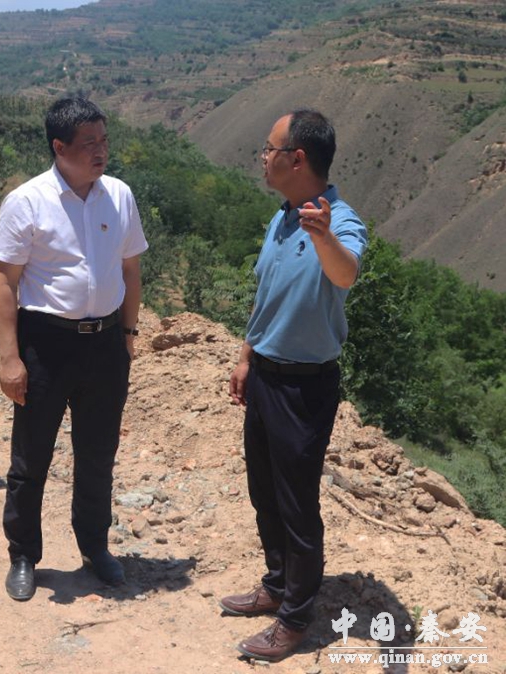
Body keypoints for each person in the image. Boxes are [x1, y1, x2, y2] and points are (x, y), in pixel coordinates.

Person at [221, 109, 368, 662]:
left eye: (269, 148)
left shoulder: (340, 221)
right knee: (264, 492)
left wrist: (324, 236)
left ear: (297, 158)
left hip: (305, 387)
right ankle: (277, 584)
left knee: (297, 504)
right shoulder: (282, 218)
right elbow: (267, 297)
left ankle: (295, 618)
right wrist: (245, 357)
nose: (263, 157)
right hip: (265, 375)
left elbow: (346, 273)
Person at [0, 97, 147, 601]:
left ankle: (95, 546)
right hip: (46, 344)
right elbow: (5, 283)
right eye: (89, 143)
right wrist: (10, 358)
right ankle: (23, 554)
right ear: (59, 147)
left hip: (105, 343)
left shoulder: (119, 196)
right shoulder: (27, 201)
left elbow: (130, 269)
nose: (101, 151)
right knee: (31, 454)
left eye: (104, 140)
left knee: (98, 453)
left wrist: (128, 334)